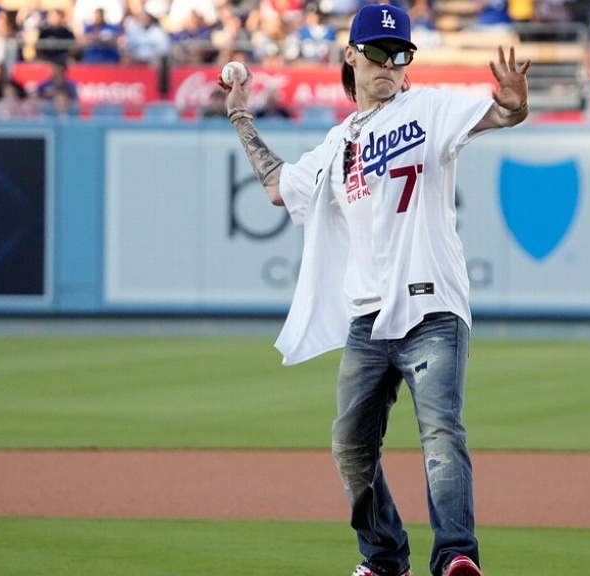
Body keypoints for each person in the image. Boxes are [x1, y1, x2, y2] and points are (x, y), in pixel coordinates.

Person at [219, 4, 530, 576]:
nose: (389, 63)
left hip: (433, 306)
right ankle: (385, 558)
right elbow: (276, 189)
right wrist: (241, 118)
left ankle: (456, 555)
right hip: (367, 318)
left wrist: (514, 105)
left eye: (400, 53)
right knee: (351, 447)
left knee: (441, 433)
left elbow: (499, 116)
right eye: (378, 51)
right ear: (351, 55)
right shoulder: (336, 145)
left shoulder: (430, 109)